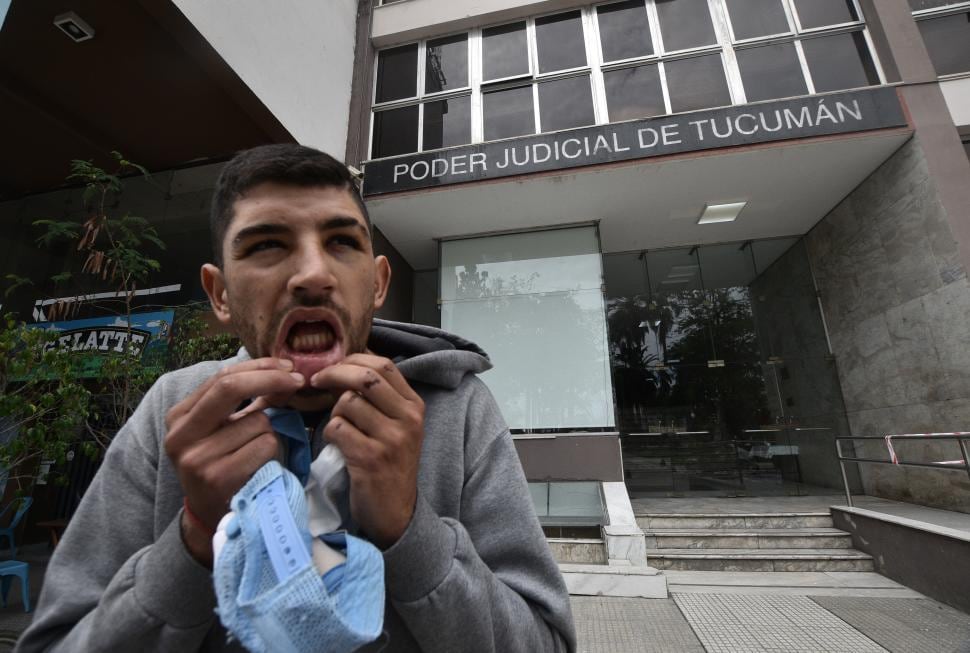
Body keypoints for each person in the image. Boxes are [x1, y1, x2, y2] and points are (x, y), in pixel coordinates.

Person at [16, 144, 576, 652]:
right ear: (220, 294)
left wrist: (412, 531)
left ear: (377, 283)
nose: (312, 274)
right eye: (266, 245)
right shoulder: (174, 409)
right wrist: (191, 539)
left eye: (341, 242)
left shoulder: (457, 411)